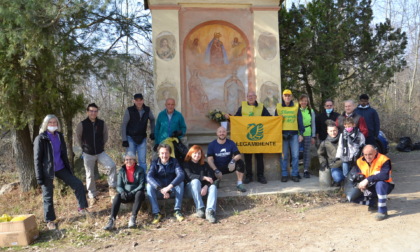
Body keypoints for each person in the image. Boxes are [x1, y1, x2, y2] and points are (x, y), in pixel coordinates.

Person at [34, 115, 88, 230]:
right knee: (48, 196)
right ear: (46, 124)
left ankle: (82, 208)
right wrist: (39, 177)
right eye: (50, 123)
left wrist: (68, 168)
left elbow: (63, 153)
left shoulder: (59, 136)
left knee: (77, 184)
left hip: (61, 168)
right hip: (47, 171)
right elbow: (37, 159)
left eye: (55, 123)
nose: (53, 125)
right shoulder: (41, 138)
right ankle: (50, 221)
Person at [76, 103, 117, 207]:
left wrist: (100, 145)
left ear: (97, 112)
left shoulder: (102, 123)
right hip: (88, 153)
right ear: (87, 112)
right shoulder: (82, 124)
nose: (93, 113)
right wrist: (84, 148)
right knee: (89, 175)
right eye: (91, 111)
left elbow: (105, 136)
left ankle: (112, 189)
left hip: (100, 152)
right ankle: (92, 195)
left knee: (112, 165)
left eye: (95, 111)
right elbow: (78, 138)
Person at [225, 91, 271, 184]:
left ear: (256, 97)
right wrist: (230, 118)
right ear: (246, 97)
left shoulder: (261, 107)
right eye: (249, 96)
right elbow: (236, 119)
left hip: (259, 137)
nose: (250, 97)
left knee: (259, 157)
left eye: (252, 96)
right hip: (246, 137)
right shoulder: (242, 107)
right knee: (247, 158)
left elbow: (269, 118)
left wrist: (277, 119)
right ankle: (249, 176)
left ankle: (260, 176)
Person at [104, 153, 145, 230]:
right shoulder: (121, 171)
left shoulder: (140, 170)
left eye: (130, 159)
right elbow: (119, 186)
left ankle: (133, 218)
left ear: (134, 161)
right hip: (125, 194)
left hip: (136, 194)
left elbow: (141, 185)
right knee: (117, 197)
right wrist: (122, 192)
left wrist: (132, 192)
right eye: (126, 159)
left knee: (139, 193)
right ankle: (111, 220)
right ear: (124, 161)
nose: (128, 161)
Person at [352, 145, 394, 221]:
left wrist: (367, 180)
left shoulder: (384, 159)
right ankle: (372, 202)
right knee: (352, 197)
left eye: (370, 154)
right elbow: (358, 175)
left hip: (386, 185)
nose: (368, 157)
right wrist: (360, 184)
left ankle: (382, 211)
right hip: (369, 186)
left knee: (380, 184)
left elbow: (385, 175)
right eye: (365, 154)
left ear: (375, 152)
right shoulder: (359, 161)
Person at [146, 144, 185, 224]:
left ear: (170, 153)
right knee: (149, 186)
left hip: (172, 190)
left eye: (166, 153)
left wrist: (169, 188)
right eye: (162, 153)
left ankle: (177, 210)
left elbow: (181, 174)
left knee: (181, 183)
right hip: (159, 191)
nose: (164, 155)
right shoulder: (154, 163)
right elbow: (149, 177)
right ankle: (157, 213)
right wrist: (160, 189)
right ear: (159, 154)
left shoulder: (174, 161)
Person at [275, 89, 305, 182]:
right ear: (283, 97)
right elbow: (275, 122)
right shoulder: (279, 107)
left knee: (295, 156)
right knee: (284, 156)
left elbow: (300, 120)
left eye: (289, 96)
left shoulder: (296, 107)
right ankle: (284, 174)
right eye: (285, 96)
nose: (287, 97)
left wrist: (301, 133)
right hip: (283, 135)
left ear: (291, 97)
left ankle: (295, 174)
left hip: (294, 135)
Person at [121, 93, 155, 173]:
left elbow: (152, 120)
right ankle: (130, 178)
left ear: (143, 101)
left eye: (140, 100)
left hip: (142, 137)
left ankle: (143, 179)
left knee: (142, 160)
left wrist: (153, 132)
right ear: (134, 101)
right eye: (137, 100)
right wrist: (124, 139)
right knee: (130, 159)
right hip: (130, 138)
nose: (139, 102)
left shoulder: (147, 110)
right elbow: (124, 124)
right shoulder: (129, 110)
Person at [183, 145, 218, 223]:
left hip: (203, 191)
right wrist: (203, 178)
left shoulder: (204, 165)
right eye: (195, 153)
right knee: (196, 181)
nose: (197, 155)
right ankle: (200, 208)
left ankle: (210, 212)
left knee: (213, 187)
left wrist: (206, 186)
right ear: (190, 154)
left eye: (199, 153)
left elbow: (212, 177)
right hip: (190, 190)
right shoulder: (186, 164)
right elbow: (189, 176)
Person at [207, 127, 247, 192]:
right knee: (209, 165)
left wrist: (233, 160)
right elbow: (209, 159)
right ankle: (216, 180)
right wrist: (215, 169)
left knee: (240, 162)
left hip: (229, 166)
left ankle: (239, 183)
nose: (222, 133)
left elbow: (238, 155)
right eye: (220, 132)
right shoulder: (212, 145)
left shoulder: (231, 143)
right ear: (217, 133)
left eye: (223, 131)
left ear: (226, 133)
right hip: (218, 167)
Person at [317, 121, 344, 186]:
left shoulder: (343, 139)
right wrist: (323, 162)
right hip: (334, 165)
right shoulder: (324, 143)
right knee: (338, 178)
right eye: (331, 131)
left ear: (337, 130)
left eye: (334, 130)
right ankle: (338, 180)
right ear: (327, 131)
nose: (333, 133)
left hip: (345, 163)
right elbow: (320, 153)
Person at [298, 94, 316, 178]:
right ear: (299, 101)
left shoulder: (310, 111)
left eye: (305, 100)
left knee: (307, 152)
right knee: (296, 152)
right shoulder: (297, 110)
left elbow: (313, 124)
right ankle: (296, 170)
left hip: (308, 133)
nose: (304, 102)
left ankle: (306, 170)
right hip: (298, 134)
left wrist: (313, 136)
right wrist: (299, 134)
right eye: (302, 100)